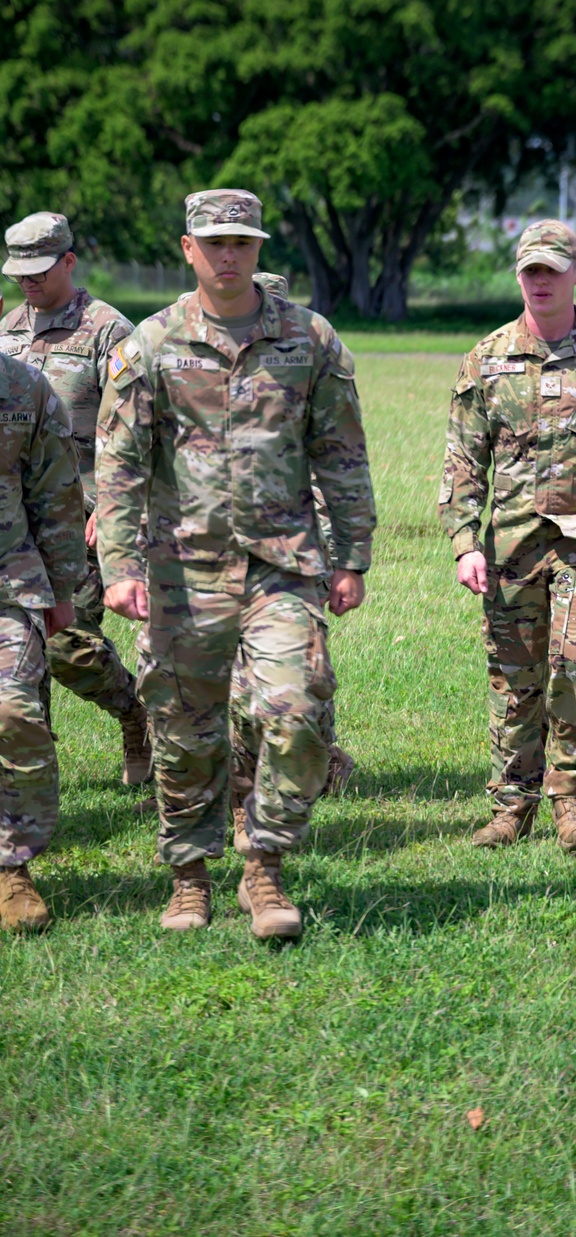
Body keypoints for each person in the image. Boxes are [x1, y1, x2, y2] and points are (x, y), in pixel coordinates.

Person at [96, 189, 376, 938]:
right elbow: (120, 463)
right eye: (213, 241)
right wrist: (119, 563)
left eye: (241, 242)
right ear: (187, 249)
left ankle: (265, 865)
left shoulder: (309, 338)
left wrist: (352, 556)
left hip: (282, 562)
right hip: (180, 571)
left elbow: (341, 453)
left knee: (295, 708)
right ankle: (189, 876)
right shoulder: (151, 344)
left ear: (259, 249)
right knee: (183, 730)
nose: (228, 254)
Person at [438, 219, 576, 852]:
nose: (541, 281)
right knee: (514, 677)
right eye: (531, 270)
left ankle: (571, 802)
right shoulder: (486, 358)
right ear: (519, 276)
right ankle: (512, 805)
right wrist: (464, 543)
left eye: (553, 270)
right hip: (509, 546)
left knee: (575, 663)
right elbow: (462, 461)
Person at [0, 213, 151, 787]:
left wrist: (112, 507)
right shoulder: (8, 328)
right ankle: (28, 776)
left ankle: (134, 711)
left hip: (83, 515)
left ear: (68, 261)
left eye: (39, 272)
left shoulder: (110, 332)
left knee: (67, 645)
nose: (28, 284)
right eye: (19, 274)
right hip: (16, 516)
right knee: (20, 649)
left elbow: (131, 429)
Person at [227, 272, 356, 858]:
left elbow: (336, 454)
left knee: (302, 668)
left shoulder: (307, 351)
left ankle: (314, 759)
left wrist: (338, 555)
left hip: (295, 539)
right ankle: (238, 787)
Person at [0, 348, 87, 930]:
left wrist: (60, 590)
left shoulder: (26, 389)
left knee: (12, 710)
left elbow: (56, 493)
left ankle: (12, 867)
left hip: (9, 584)